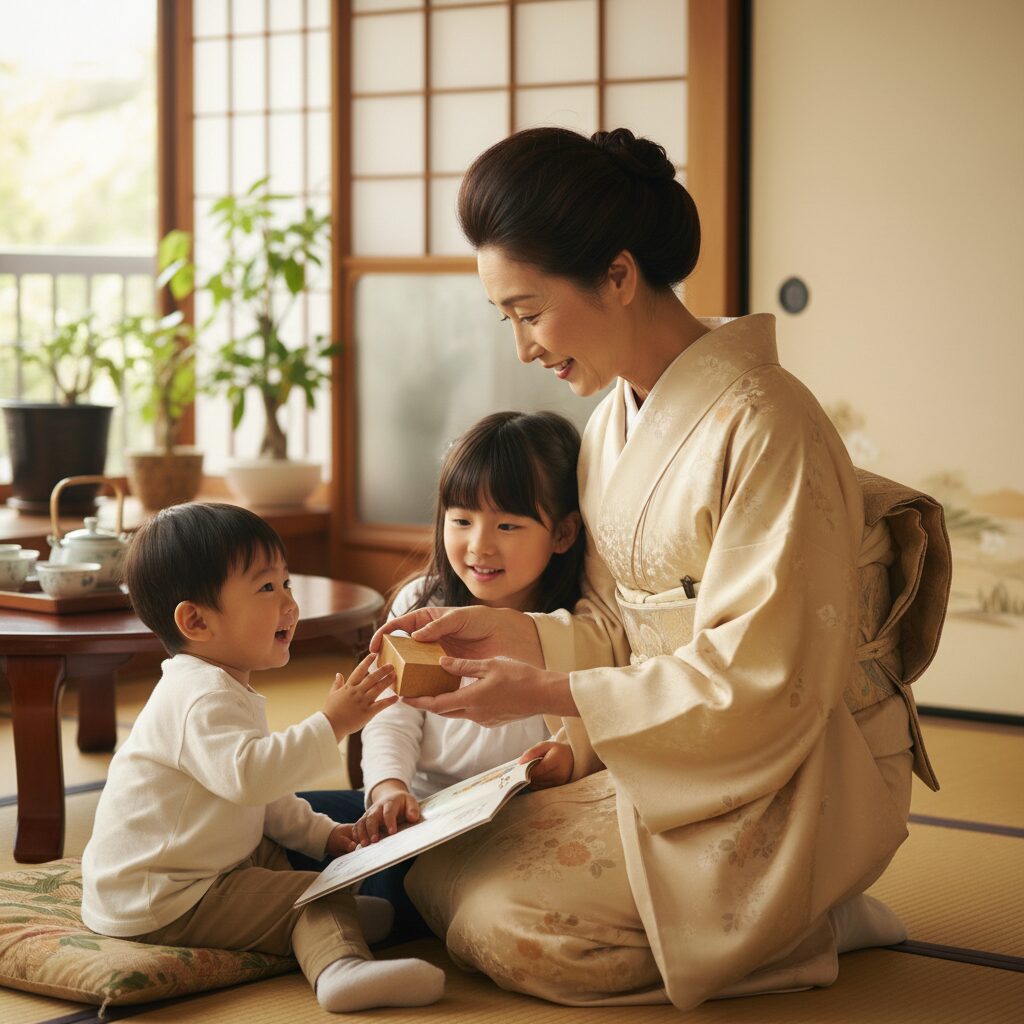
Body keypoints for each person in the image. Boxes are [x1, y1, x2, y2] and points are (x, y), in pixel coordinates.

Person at [371, 127, 950, 1009]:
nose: (523, 348)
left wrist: (539, 696)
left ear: (617, 273)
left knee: (505, 926)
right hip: (685, 751)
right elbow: (617, 624)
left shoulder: (767, 425)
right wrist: (518, 634)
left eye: (529, 312)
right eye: (510, 321)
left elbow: (769, 681)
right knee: (436, 869)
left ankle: (813, 919)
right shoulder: (612, 423)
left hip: (794, 768)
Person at [80, 503, 445, 1013]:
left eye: (287, 583)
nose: (289, 603)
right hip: (164, 895)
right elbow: (253, 779)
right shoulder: (201, 697)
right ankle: (341, 969)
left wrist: (323, 834)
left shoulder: (219, 684)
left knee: (279, 853)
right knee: (311, 894)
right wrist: (333, 723)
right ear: (196, 620)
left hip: (193, 862)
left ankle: (337, 916)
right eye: (266, 588)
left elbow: (265, 797)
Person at [291, 410, 585, 941]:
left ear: (562, 533)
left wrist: (562, 764)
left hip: (505, 829)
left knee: (410, 885)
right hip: (417, 809)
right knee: (282, 816)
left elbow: (584, 732)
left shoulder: (576, 630)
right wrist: (387, 789)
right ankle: (341, 910)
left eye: (509, 525)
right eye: (462, 519)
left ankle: (354, 918)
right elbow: (390, 716)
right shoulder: (420, 602)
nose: (480, 546)